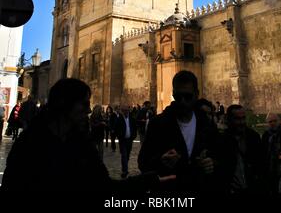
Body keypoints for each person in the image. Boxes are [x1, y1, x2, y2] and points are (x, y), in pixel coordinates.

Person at [1, 78, 175, 193]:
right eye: (83, 104)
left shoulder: (82, 143)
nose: (88, 110)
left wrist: (148, 180)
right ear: (64, 105)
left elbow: (104, 187)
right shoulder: (30, 144)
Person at [138, 70, 218, 193]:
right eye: (178, 97)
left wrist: (212, 162)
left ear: (197, 94)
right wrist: (161, 161)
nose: (182, 102)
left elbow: (219, 154)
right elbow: (143, 162)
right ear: (173, 94)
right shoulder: (158, 124)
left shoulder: (206, 123)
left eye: (187, 96)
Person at [218, 104, 263, 195]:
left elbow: (261, 163)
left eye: (243, 118)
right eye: (237, 119)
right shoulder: (222, 140)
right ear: (229, 120)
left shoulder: (253, 137)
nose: (242, 122)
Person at [115, 104, 137, 178]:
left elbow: (134, 127)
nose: (126, 112)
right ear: (122, 111)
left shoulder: (132, 118)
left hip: (129, 140)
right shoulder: (119, 119)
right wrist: (120, 137)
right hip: (123, 140)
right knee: (124, 155)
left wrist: (133, 136)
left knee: (127, 155)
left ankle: (125, 167)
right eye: (124, 111)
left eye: (127, 110)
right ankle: (125, 170)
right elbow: (117, 129)